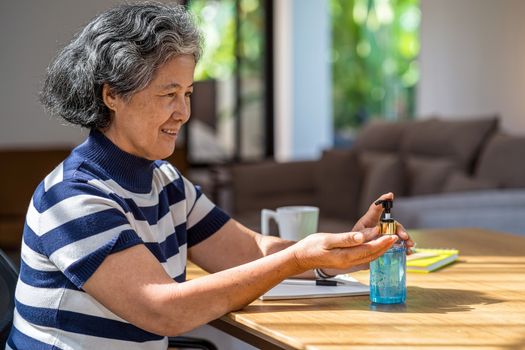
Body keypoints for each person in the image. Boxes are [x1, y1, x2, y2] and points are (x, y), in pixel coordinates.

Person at [6, 3, 413, 350]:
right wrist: (296, 259)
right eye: (168, 94)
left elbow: (251, 249)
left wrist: (345, 253)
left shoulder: (165, 182)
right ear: (112, 95)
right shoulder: (73, 198)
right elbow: (163, 309)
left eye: (187, 93)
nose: (183, 113)